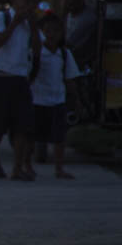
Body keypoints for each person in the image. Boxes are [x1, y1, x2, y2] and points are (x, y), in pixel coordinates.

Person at [0, 0, 42, 181]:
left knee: (22, 126)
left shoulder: (30, 24)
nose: (29, 6)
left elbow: (37, 49)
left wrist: (34, 26)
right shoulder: (1, 18)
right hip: (1, 76)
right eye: (25, 1)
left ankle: (17, 167)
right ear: (15, 1)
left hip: (21, 78)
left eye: (32, 2)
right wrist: (15, 23)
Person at [32, 12, 84, 179]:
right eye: (47, 30)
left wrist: (76, 100)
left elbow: (70, 79)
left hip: (57, 100)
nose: (51, 35)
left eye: (55, 31)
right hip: (37, 99)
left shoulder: (64, 54)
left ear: (61, 33)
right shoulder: (35, 53)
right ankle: (25, 165)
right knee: (30, 136)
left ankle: (59, 169)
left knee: (59, 138)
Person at [60, 0, 97, 73]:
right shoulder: (68, 15)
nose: (66, 0)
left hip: (79, 68)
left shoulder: (88, 18)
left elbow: (65, 43)